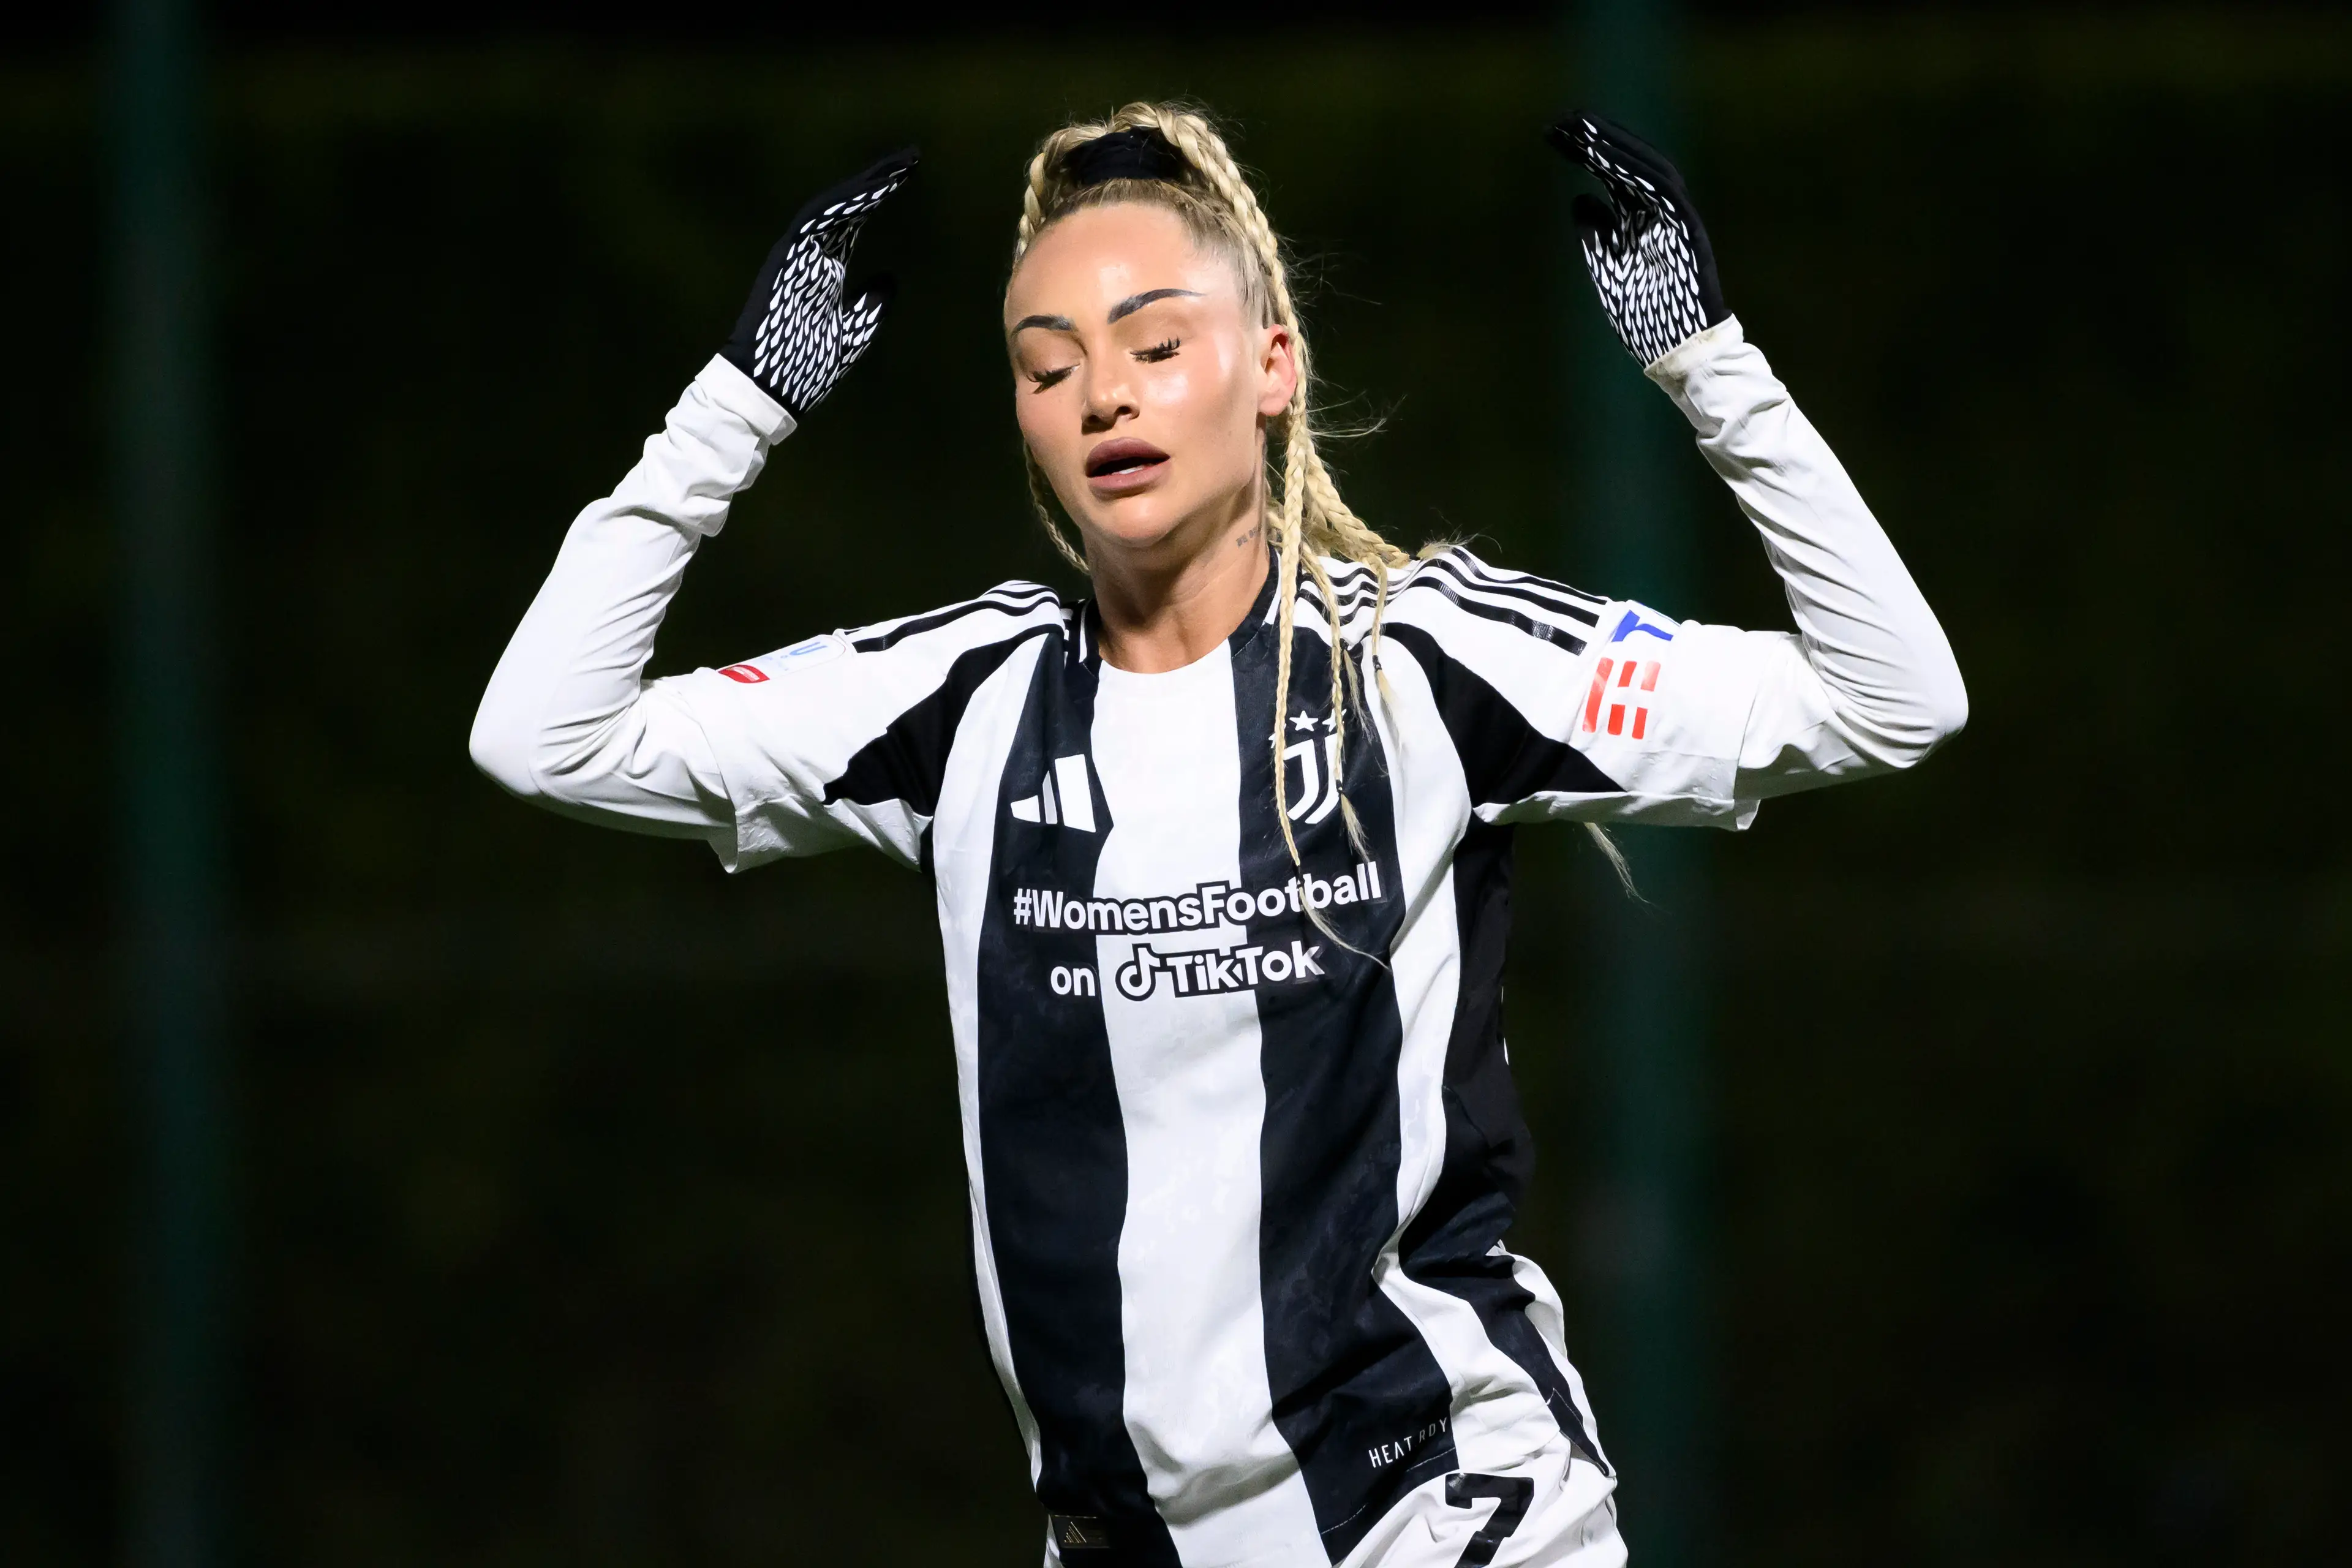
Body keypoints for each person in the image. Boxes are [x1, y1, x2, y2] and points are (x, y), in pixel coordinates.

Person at [470, 102, 1964, 1568]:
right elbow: (544, 733)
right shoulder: (961, 698)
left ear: (1272, 366)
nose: (1103, 397)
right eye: (1049, 364)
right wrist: (740, 403)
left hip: (1440, 1512)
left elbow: (1893, 696)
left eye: (1156, 345)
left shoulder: (1423, 659)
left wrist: (1711, 367)